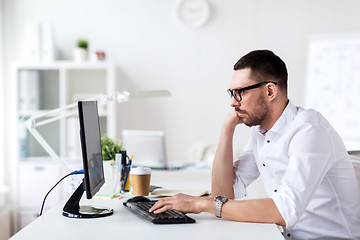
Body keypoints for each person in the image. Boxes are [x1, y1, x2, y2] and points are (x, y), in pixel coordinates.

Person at [149, 50, 360, 240]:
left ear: (270, 91)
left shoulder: (310, 131)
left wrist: (200, 204)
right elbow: (225, 194)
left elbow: (284, 211)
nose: (233, 102)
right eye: (231, 93)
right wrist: (227, 129)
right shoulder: (261, 132)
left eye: (239, 92)